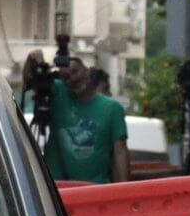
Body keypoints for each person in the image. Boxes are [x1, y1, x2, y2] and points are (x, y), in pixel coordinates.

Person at [21, 53, 129, 184]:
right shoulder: (58, 93)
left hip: (97, 191)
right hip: (57, 192)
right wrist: (34, 58)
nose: (73, 78)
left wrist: (122, 191)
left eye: (75, 72)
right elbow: (30, 79)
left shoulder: (112, 108)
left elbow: (120, 153)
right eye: (66, 77)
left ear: (87, 70)